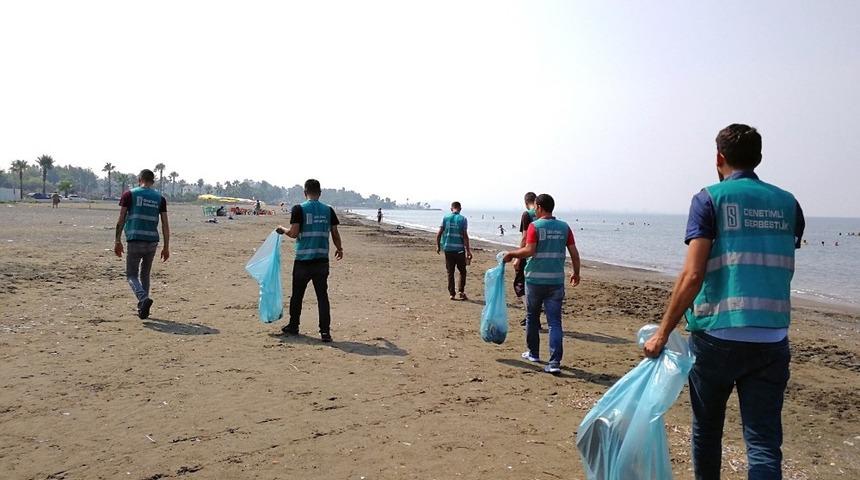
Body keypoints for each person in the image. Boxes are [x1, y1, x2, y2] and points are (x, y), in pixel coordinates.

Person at [643, 124, 805, 479]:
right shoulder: (788, 202)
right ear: (759, 158)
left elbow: (692, 275)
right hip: (772, 337)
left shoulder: (709, 199)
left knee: (707, 430)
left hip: (717, 335)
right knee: (763, 441)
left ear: (719, 158)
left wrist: (662, 332)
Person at [503, 194, 581, 375]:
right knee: (555, 322)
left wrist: (512, 254)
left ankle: (534, 353)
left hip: (535, 281)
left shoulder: (534, 226)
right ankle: (554, 362)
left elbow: (529, 250)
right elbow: (574, 253)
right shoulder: (564, 227)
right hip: (555, 281)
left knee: (532, 317)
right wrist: (576, 272)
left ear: (538, 207)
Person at [276, 179, 343, 342]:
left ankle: (294, 325)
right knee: (322, 297)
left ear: (305, 193)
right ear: (320, 193)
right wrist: (339, 248)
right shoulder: (328, 210)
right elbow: (334, 232)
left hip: (303, 260)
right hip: (321, 261)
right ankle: (325, 332)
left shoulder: (299, 209)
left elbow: (293, 233)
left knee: (297, 295)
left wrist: (282, 229)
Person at [113, 169, 170, 319]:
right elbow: (165, 224)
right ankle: (144, 308)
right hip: (152, 241)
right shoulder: (160, 198)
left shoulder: (130, 194)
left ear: (140, 179)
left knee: (131, 275)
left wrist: (117, 240)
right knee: (145, 274)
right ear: (153, 181)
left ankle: (143, 299)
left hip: (135, 239)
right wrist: (166, 246)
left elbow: (121, 219)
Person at [436, 201, 472, 300]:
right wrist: (468, 250)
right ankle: (461, 291)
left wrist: (438, 246)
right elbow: (465, 236)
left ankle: (452, 294)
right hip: (459, 250)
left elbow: (439, 233)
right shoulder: (463, 219)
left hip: (448, 249)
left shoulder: (446, 218)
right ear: (460, 209)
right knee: (462, 271)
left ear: (451, 209)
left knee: (450, 272)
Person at [513, 192, 538, 327]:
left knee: (519, 285)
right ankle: (533, 316)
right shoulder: (542, 213)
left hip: (527, 252)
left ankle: (531, 315)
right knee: (534, 286)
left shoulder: (527, 214)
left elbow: (525, 237)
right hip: (540, 254)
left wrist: (517, 257)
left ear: (525, 202)